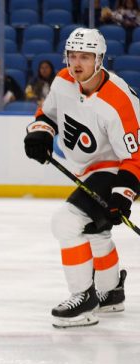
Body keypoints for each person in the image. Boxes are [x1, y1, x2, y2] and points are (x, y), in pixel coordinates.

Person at [23, 28, 138, 328]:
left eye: (85, 57)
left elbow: (135, 156)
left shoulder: (118, 100)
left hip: (115, 169)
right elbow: (47, 114)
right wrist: (41, 133)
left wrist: (122, 196)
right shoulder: (63, 80)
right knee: (94, 229)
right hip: (87, 171)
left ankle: (84, 298)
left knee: (66, 222)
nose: (76, 63)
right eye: (72, 56)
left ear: (99, 60)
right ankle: (111, 291)